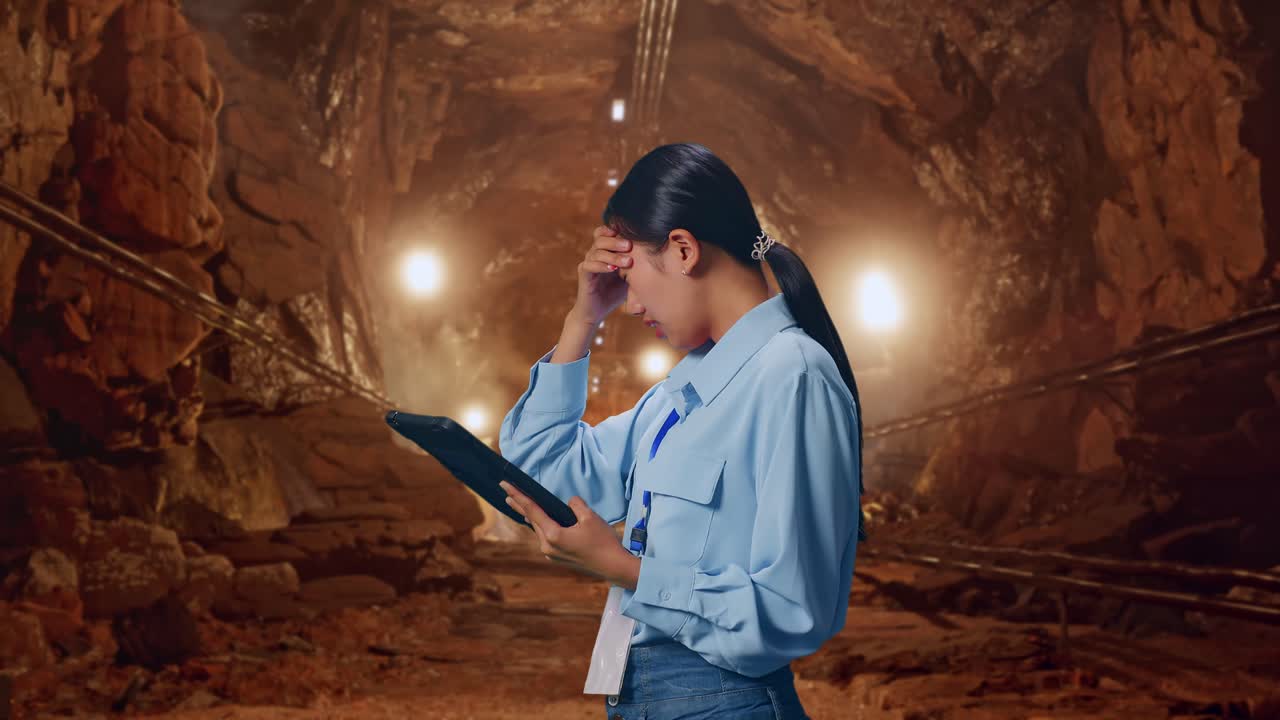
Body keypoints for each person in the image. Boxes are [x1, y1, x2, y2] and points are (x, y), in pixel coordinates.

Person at [497, 142, 865, 720]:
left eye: (631, 274)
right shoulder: (682, 390)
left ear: (684, 249)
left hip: (725, 701)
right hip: (641, 694)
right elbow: (543, 477)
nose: (630, 302)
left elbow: (793, 609)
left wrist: (621, 567)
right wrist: (582, 318)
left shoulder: (791, 377)